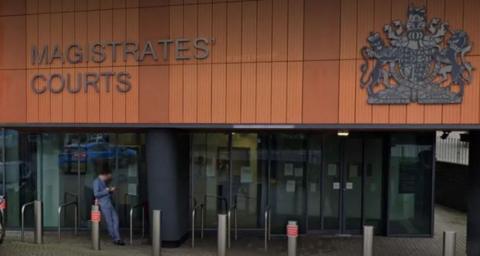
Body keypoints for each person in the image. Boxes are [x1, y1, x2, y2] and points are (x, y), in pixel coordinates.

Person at [93, 165, 125, 246]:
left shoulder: (102, 181)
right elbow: (96, 194)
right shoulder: (96, 181)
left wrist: (110, 191)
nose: (108, 178)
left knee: (116, 219)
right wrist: (106, 190)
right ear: (104, 174)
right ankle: (115, 238)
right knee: (110, 221)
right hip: (104, 204)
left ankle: (116, 237)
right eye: (108, 176)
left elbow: (104, 193)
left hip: (109, 203)